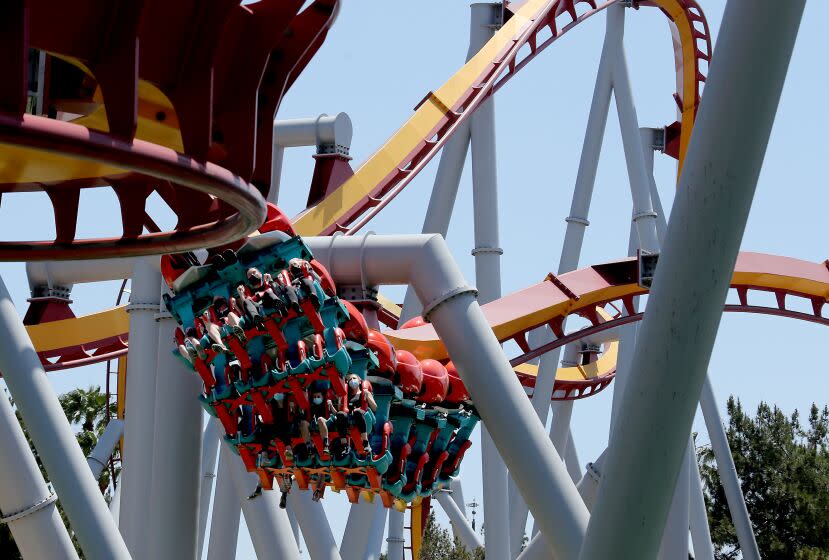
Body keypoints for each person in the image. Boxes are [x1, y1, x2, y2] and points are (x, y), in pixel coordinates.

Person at [335, 374, 377, 459]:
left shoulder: (364, 392)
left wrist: (368, 396)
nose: (352, 380)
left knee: (357, 412)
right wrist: (340, 399)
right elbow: (340, 409)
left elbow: (375, 408)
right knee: (340, 414)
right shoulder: (346, 395)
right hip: (350, 419)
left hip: (363, 417)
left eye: (354, 378)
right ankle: (344, 444)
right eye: (350, 379)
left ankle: (365, 442)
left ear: (359, 381)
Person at [299, 387, 337, 457]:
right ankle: (309, 447)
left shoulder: (327, 403)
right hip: (314, 424)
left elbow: (337, 414)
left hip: (327, 422)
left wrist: (331, 406)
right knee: (303, 423)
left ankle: (326, 445)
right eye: (315, 397)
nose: (316, 398)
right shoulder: (311, 405)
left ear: (323, 397)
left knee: (320, 419)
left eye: (318, 396)